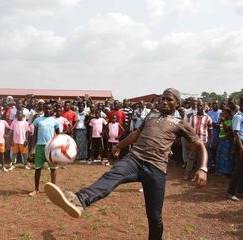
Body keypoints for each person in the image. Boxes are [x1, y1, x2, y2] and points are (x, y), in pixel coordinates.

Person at [44, 88, 208, 240]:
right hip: (134, 159)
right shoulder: (151, 116)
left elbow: (200, 145)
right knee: (111, 176)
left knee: (154, 216)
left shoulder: (180, 124)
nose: (164, 102)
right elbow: (137, 134)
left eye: (169, 100)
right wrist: (118, 146)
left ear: (177, 103)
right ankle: (79, 199)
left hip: (156, 169)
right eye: (162, 99)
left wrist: (203, 168)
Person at [29, 103, 60, 197]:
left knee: (53, 169)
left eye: (50, 109)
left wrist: (58, 147)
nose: (48, 110)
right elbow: (34, 136)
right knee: (37, 169)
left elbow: (58, 135)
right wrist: (32, 149)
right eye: (46, 108)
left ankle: (54, 190)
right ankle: (36, 189)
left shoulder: (55, 121)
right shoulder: (38, 120)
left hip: (50, 147)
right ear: (43, 109)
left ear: (52, 110)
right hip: (40, 147)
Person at [227, 96, 243, 201]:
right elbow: (236, 132)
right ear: (241, 105)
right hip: (241, 144)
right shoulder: (238, 116)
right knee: (239, 168)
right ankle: (231, 192)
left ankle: (242, 191)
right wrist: (241, 147)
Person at [184, 99, 212, 180]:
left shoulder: (208, 118)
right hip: (194, 141)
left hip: (203, 141)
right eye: (198, 105)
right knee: (191, 157)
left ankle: (197, 176)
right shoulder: (192, 117)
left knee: (200, 159)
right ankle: (187, 174)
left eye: (201, 105)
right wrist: (188, 140)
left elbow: (210, 130)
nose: (199, 107)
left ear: (204, 106)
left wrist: (210, 141)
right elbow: (189, 130)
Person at [215, 108, 233, 176]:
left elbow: (226, 130)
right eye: (223, 113)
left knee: (226, 157)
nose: (223, 115)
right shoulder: (222, 121)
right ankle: (219, 171)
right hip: (221, 140)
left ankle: (226, 171)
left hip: (227, 141)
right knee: (220, 155)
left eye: (225, 113)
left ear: (228, 115)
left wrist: (223, 121)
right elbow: (220, 130)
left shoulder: (230, 121)